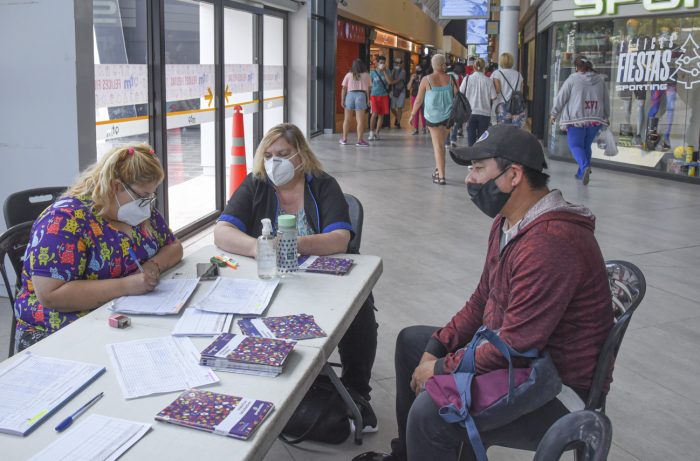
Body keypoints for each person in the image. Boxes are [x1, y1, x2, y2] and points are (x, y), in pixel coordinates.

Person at [356, 125, 613, 461]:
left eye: (479, 169)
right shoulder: (509, 221)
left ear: (514, 175)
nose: (469, 179)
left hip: (554, 386)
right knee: (412, 344)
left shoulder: (550, 243)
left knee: (430, 413)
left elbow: (517, 347)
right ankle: (409, 454)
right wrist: (438, 346)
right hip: (520, 357)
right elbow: (482, 299)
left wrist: (441, 368)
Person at [214, 123, 379, 430]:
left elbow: (340, 238)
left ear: (301, 155)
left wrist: (292, 244)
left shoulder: (322, 185)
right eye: (269, 154)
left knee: (359, 309)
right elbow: (222, 231)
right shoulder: (257, 184)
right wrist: (258, 247)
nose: (275, 161)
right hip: (269, 282)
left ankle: (357, 392)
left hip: (321, 281)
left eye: (284, 154)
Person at [13, 144, 183, 352]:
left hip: (122, 316)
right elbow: (51, 295)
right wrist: (126, 286)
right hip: (58, 330)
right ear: (115, 186)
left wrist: (153, 265)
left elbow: (174, 247)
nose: (147, 203)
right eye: (142, 195)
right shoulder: (64, 220)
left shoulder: (137, 213)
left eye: (151, 195)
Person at [550, 55, 610, 185]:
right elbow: (606, 99)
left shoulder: (573, 79)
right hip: (595, 119)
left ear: (577, 67)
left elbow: (562, 97)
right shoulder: (600, 80)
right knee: (585, 146)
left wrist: (554, 113)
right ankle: (581, 173)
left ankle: (584, 167)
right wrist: (606, 116)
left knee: (575, 145)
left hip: (576, 119)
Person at [410, 54, 458, 186]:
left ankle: (441, 177)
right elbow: (457, 96)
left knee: (438, 146)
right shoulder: (451, 78)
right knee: (441, 145)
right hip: (449, 117)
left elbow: (419, 100)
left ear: (433, 64)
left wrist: (412, 114)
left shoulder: (427, 79)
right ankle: (438, 170)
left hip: (433, 117)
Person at [461, 57, 496, 146]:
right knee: (482, 139)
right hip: (485, 113)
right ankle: (480, 157)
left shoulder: (467, 79)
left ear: (474, 67)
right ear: (484, 67)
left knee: (471, 137)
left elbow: (461, 93)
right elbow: (494, 97)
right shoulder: (489, 81)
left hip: (470, 112)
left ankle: (472, 157)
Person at [340, 59, 371, 147]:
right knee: (360, 121)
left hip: (350, 95)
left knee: (347, 119)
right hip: (361, 95)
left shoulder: (348, 75)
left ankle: (344, 139)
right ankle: (359, 140)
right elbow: (368, 89)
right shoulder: (366, 75)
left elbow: (344, 88)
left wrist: (342, 100)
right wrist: (368, 100)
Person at [492, 52, 527, 128]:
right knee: (516, 133)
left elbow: (497, 90)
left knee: (504, 133)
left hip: (503, 106)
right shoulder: (518, 74)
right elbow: (521, 92)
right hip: (517, 106)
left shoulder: (497, 74)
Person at [369, 56, 394, 141]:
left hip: (384, 95)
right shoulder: (372, 73)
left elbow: (390, 82)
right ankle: (371, 132)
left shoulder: (388, 71)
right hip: (374, 95)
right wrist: (368, 97)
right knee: (374, 114)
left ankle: (377, 133)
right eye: (381, 62)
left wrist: (384, 72)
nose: (382, 64)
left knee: (381, 115)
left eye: (383, 62)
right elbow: (369, 86)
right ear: (377, 63)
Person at [407, 64, 427, 135]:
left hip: (423, 96)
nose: (417, 70)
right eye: (416, 69)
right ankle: (415, 129)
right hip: (414, 96)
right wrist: (411, 79)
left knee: (423, 112)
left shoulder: (425, 77)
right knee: (415, 112)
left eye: (419, 68)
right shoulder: (413, 77)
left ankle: (424, 127)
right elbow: (408, 87)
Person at [390, 57, 408, 129]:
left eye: (399, 63)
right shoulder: (393, 70)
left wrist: (390, 82)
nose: (397, 64)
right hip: (394, 90)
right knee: (392, 107)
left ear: (402, 64)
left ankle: (398, 122)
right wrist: (393, 71)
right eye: (396, 63)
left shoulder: (403, 71)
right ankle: (397, 117)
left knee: (399, 107)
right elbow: (390, 77)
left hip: (401, 91)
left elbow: (397, 80)